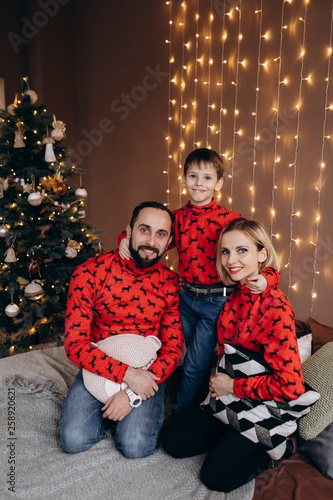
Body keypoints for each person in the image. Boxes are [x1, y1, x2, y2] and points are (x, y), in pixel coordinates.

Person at [119, 149, 278, 414]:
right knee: (171, 351)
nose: (199, 184)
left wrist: (266, 278)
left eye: (207, 178)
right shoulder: (176, 219)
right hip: (184, 297)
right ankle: (159, 399)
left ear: (218, 184)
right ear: (183, 179)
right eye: (193, 176)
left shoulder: (230, 220)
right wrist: (123, 240)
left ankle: (181, 414)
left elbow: (264, 259)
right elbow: (149, 237)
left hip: (214, 301)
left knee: (194, 362)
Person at [162, 217, 305, 493]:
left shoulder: (276, 309)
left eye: (242, 250)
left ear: (261, 254)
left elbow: (291, 386)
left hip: (262, 403)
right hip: (227, 398)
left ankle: (280, 447)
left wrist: (234, 386)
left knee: (216, 477)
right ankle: (230, 431)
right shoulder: (233, 292)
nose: (230, 259)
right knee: (173, 442)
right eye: (225, 251)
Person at [59, 201, 183, 459]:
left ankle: (121, 411)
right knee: (73, 439)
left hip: (146, 371)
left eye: (161, 234)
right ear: (128, 231)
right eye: (144, 230)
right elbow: (74, 344)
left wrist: (131, 394)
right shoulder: (89, 273)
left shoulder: (171, 284)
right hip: (98, 366)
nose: (151, 241)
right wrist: (125, 374)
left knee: (136, 447)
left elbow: (172, 349)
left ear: (169, 240)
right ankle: (108, 409)